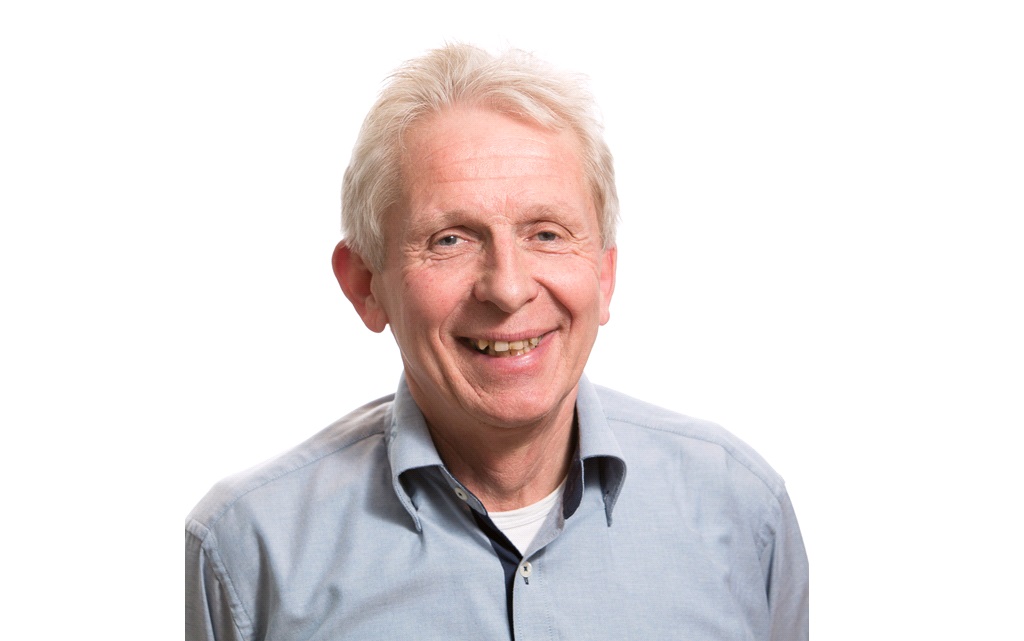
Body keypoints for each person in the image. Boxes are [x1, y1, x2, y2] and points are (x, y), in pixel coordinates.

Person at [185, 43, 808, 640]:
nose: (508, 289)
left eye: (547, 234)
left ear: (604, 275)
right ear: (365, 285)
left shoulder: (742, 509)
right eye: (451, 239)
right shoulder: (246, 549)